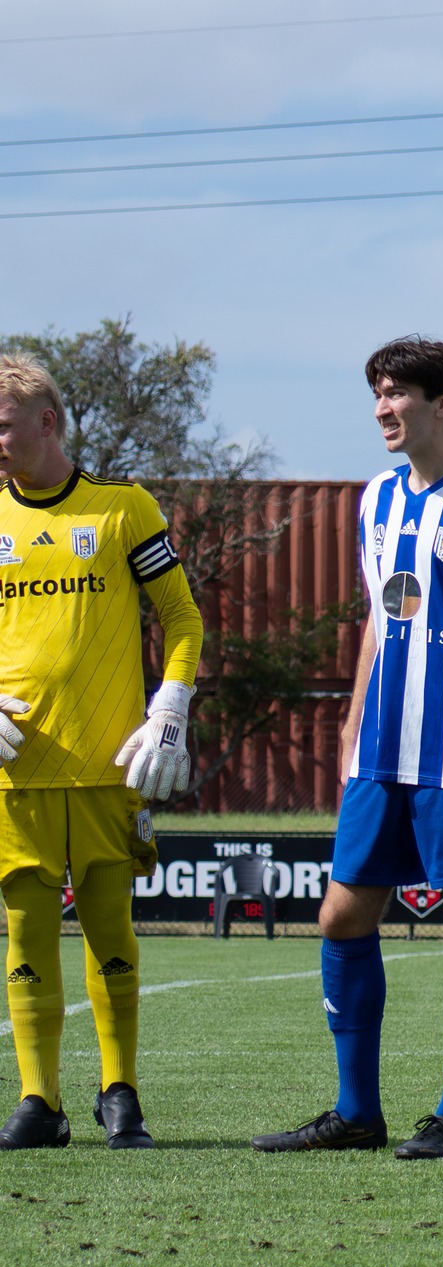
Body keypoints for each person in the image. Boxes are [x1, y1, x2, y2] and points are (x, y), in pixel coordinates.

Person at [252, 336, 443, 1160]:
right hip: (383, 748)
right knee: (341, 915)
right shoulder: (377, 498)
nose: (382, 408)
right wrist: (352, 724)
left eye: (396, 393)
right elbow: (381, 623)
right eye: (377, 393)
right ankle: (356, 1113)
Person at [0, 354, 203, 1151]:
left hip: (108, 766)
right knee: (25, 937)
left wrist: (171, 707)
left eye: (3, 426)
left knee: (112, 931)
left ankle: (120, 1093)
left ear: (46, 421)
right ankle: (37, 1101)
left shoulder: (123, 509)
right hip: (16, 771)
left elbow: (182, 617)